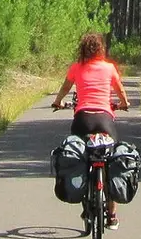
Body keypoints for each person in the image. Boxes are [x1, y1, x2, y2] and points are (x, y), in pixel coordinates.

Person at [51, 31, 130, 228]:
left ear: (83, 49)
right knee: (110, 161)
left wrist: (57, 102)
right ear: (101, 49)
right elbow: (120, 91)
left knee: (82, 157)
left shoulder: (76, 68)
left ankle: (86, 202)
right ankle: (111, 216)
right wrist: (124, 103)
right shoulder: (109, 68)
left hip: (82, 120)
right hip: (105, 120)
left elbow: (65, 88)